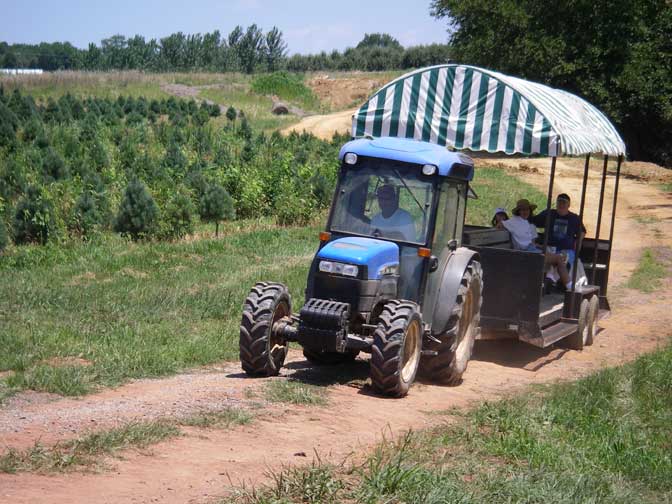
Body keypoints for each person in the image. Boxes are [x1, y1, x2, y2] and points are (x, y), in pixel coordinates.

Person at [505, 198, 573, 289]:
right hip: (524, 253)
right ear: (519, 211)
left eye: (527, 209)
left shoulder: (526, 222)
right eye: (523, 210)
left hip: (530, 250)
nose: (526, 212)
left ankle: (551, 279)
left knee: (559, 258)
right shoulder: (513, 222)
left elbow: (532, 242)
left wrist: (541, 247)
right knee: (559, 259)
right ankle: (570, 287)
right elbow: (500, 225)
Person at [531, 193, 586, 267]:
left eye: (564, 203)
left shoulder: (574, 218)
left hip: (567, 250)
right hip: (548, 248)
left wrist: (579, 241)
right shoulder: (549, 214)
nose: (561, 205)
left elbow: (582, 231)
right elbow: (533, 221)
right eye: (559, 202)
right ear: (556, 203)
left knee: (567, 264)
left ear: (568, 205)